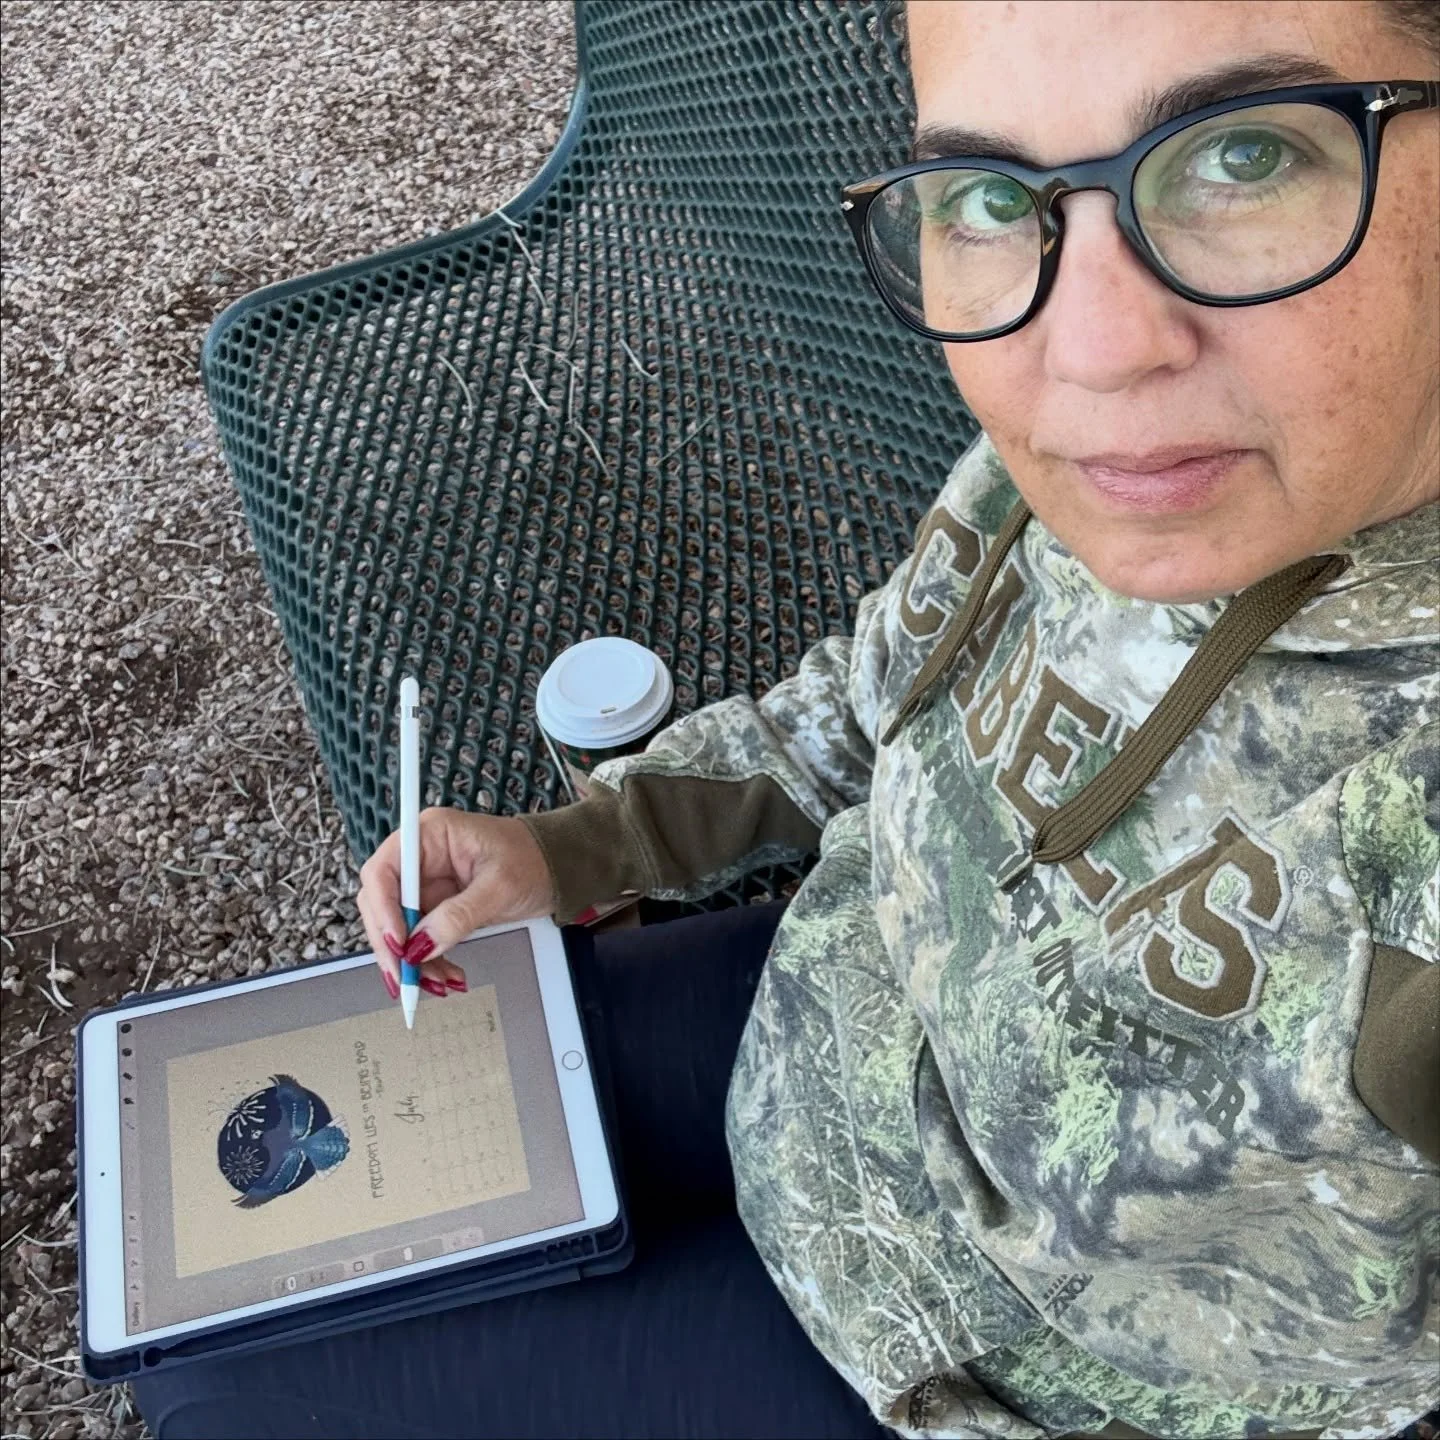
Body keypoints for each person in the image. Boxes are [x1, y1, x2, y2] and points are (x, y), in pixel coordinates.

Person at [133, 1, 1438, 1436]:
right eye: (995, 195)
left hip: (975, 1382)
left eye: (1244, 154)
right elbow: (877, 695)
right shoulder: (1126, 471)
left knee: (226, 1401)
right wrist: (587, 845)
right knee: (202, 1295)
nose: (1096, 346)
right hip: (817, 1013)